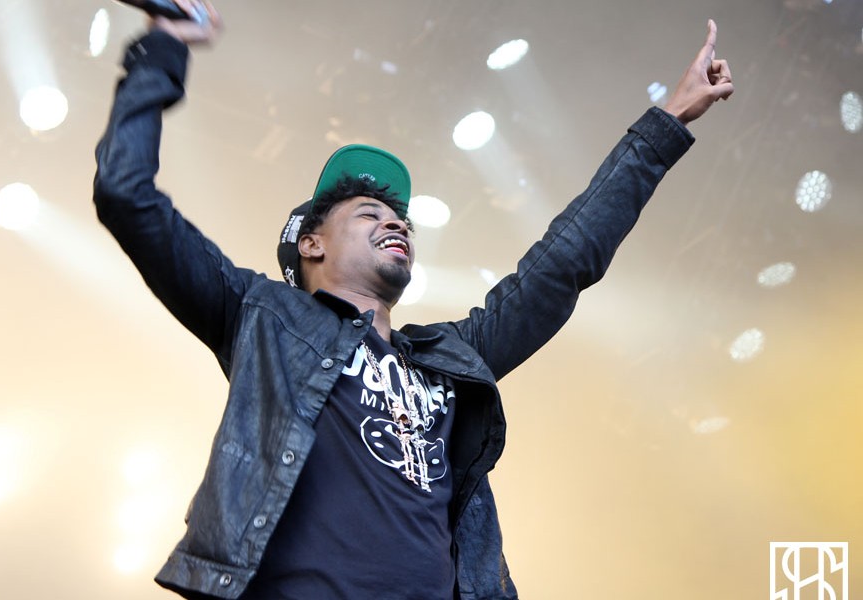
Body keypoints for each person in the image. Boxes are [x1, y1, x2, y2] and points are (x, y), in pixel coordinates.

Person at [93, 1, 734, 598]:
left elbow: (562, 266)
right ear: (311, 244)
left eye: (400, 218)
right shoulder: (261, 316)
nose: (396, 222)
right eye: (369, 213)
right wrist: (163, 49)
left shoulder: (448, 359)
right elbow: (127, 195)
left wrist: (666, 125)